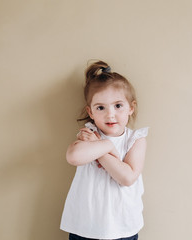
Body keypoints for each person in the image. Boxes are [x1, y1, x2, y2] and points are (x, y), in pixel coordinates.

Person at [60, 61, 148, 240]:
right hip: (85, 226)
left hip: (122, 226)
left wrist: (102, 150)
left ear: (131, 107)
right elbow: (73, 156)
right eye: (100, 107)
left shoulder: (135, 140)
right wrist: (107, 146)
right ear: (90, 112)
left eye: (118, 106)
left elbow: (127, 177)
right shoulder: (90, 134)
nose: (110, 114)